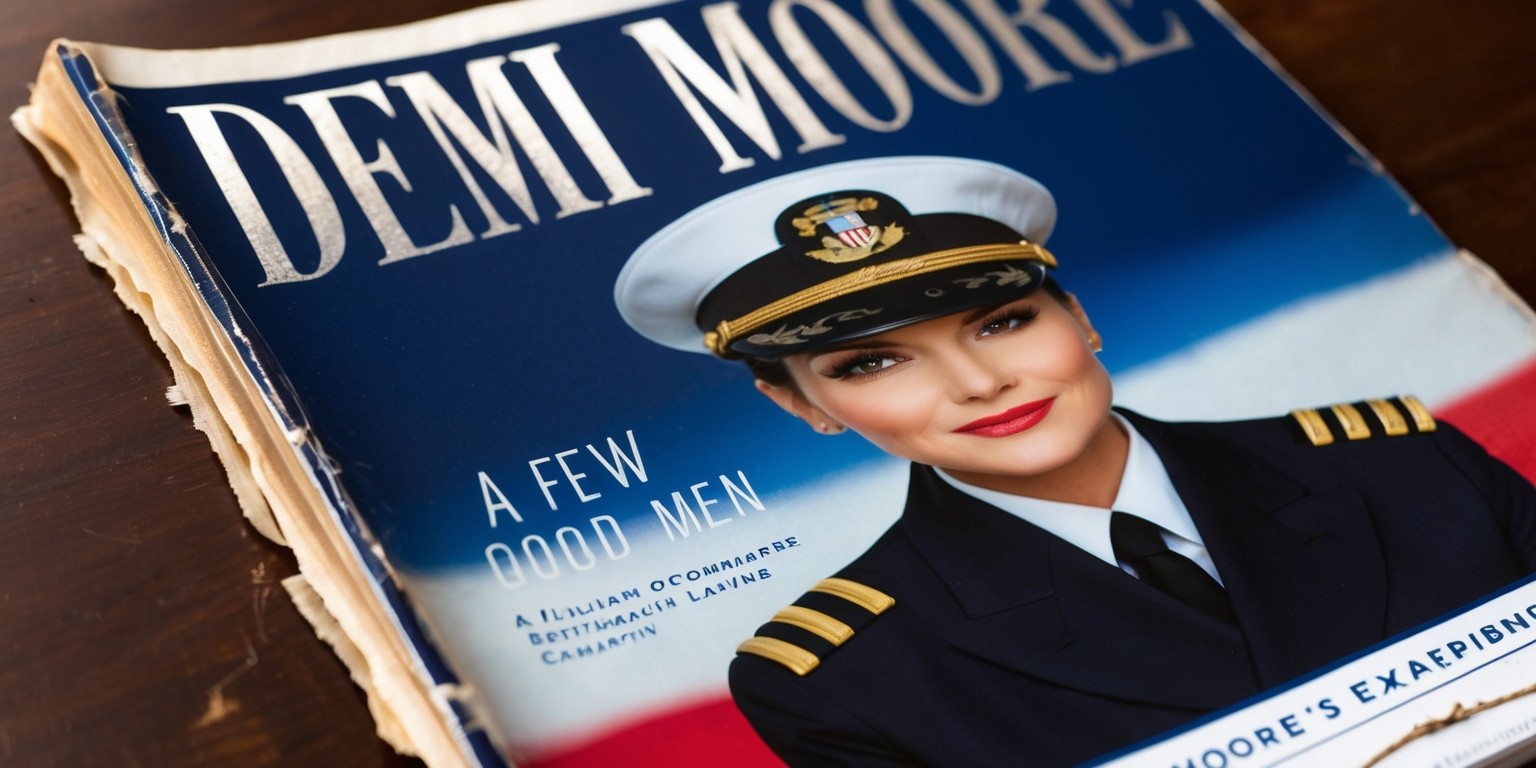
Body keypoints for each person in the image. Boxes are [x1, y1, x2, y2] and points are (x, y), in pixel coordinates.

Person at [613, 156, 1536, 766]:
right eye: (872, 362)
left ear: (1080, 318)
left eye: (1003, 320)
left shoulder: (1402, 464)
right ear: (803, 405)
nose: (979, 382)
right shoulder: (843, 680)